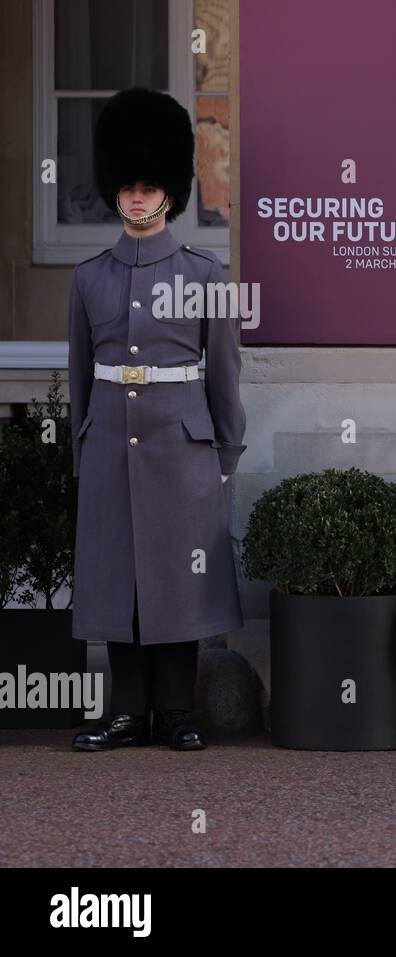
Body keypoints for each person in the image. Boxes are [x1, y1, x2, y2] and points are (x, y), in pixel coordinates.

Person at [67, 88, 247, 752]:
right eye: (129, 186)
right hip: (111, 445)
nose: (138, 197)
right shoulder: (89, 279)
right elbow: (82, 374)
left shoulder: (205, 273)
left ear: (172, 193)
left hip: (182, 447)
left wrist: (223, 458)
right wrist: (83, 459)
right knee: (121, 580)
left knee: (179, 583)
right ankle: (127, 711)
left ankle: (177, 711)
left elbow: (223, 376)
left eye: (150, 186)